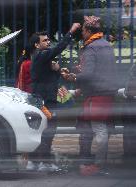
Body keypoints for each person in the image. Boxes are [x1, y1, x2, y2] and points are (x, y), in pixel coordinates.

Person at [63, 15, 118, 175]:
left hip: (96, 95)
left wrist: (72, 77)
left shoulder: (91, 47)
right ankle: (92, 164)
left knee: (98, 131)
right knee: (98, 129)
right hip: (107, 94)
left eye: (83, 31)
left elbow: (88, 75)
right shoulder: (106, 45)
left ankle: (98, 165)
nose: (82, 34)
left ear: (88, 31)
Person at [26, 23, 81, 171]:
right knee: (48, 131)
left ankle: (35, 162)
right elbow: (58, 48)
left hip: (44, 98)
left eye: (48, 39)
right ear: (37, 45)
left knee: (45, 130)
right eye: (45, 40)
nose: (48, 42)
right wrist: (71, 31)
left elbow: (47, 77)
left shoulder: (41, 57)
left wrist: (56, 70)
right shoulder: (42, 55)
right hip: (45, 100)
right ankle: (44, 163)